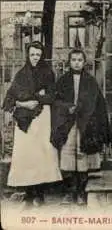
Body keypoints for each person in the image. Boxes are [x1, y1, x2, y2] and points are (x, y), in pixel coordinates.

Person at [2, 41, 62, 206]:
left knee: (41, 155)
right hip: (24, 120)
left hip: (42, 118)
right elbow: (10, 97)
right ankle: (29, 194)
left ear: (42, 55)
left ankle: (39, 194)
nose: (35, 58)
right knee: (26, 156)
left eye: (38, 55)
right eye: (32, 55)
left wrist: (34, 97)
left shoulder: (48, 73)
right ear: (27, 56)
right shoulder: (21, 74)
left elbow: (51, 96)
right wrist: (24, 103)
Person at [50, 49, 112, 205]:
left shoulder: (90, 81)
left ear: (84, 62)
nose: (76, 62)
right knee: (67, 153)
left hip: (85, 124)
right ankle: (69, 192)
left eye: (79, 60)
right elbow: (55, 101)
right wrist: (67, 107)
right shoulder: (63, 81)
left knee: (82, 154)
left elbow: (98, 104)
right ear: (69, 62)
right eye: (73, 60)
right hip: (68, 123)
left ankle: (81, 192)